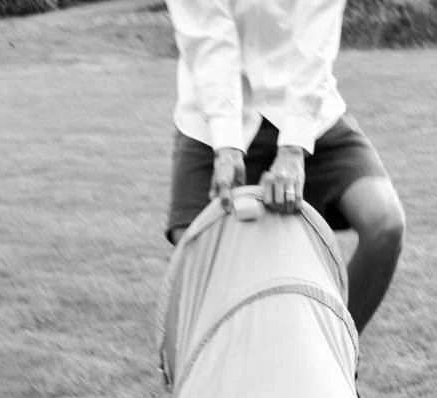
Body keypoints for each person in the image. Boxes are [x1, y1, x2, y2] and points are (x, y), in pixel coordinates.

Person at [163, 0, 406, 334]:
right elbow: (208, 40)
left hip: (308, 111)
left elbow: (315, 39)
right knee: (194, 260)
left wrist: (293, 147)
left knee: (384, 224)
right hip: (211, 116)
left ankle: (333, 356)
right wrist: (227, 145)